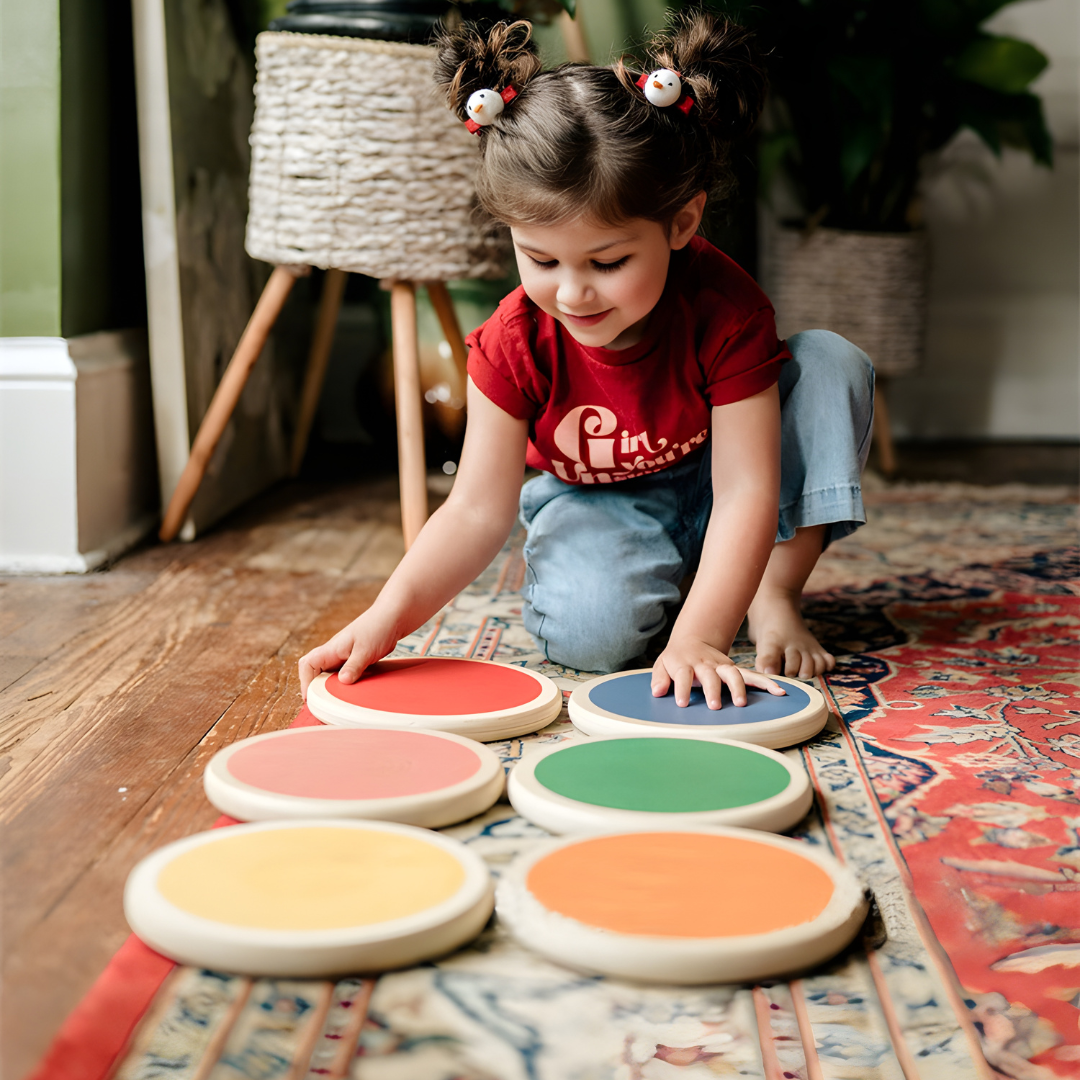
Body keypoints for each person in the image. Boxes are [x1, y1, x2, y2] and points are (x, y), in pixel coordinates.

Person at [299, 12, 874, 710]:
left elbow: (747, 490)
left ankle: (770, 592)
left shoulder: (726, 310)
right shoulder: (514, 340)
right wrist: (382, 622)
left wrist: (700, 639)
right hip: (598, 497)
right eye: (540, 259)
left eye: (607, 262)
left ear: (681, 224)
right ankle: (687, 582)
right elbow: (476, 509)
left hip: (724, 481)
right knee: (591, 639)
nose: (571, 293)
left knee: (830, 361)